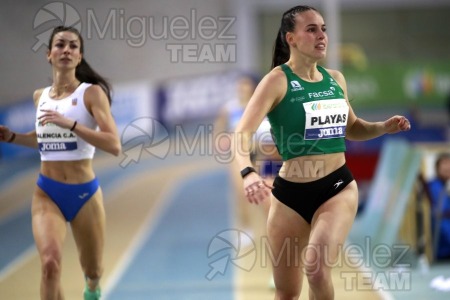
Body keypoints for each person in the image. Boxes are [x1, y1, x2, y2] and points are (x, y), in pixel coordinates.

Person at [233, 5, 411, 299]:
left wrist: (382, 127)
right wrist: (248, 172)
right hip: (289, 195)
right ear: (291, 38)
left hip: (336, 188)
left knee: (316, 270)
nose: (321, 36)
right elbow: (241, 135)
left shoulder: (336, 79)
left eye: (324, 29)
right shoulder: (276, 81)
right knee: (286, 292)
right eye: (311, 29)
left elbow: (353, 128)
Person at [0, 26, 121, 299]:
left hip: (83, 194)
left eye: (73, 46)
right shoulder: (39, 96)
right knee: (50, 264)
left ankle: (92, 290)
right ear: (48, 54)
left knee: (92, 272)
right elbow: (45, 142)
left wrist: (72, 124)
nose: (66, 50)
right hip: (47, 192)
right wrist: (13, 137)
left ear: (79, 57)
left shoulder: (91, 94)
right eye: (60, 45)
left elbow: (114, 145)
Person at [428, 153, 450, 260]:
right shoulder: (434, 187)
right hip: (441, 249)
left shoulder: (445, 186)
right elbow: (440, 219)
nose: (447, 167)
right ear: (437, 168)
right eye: (444, 163)